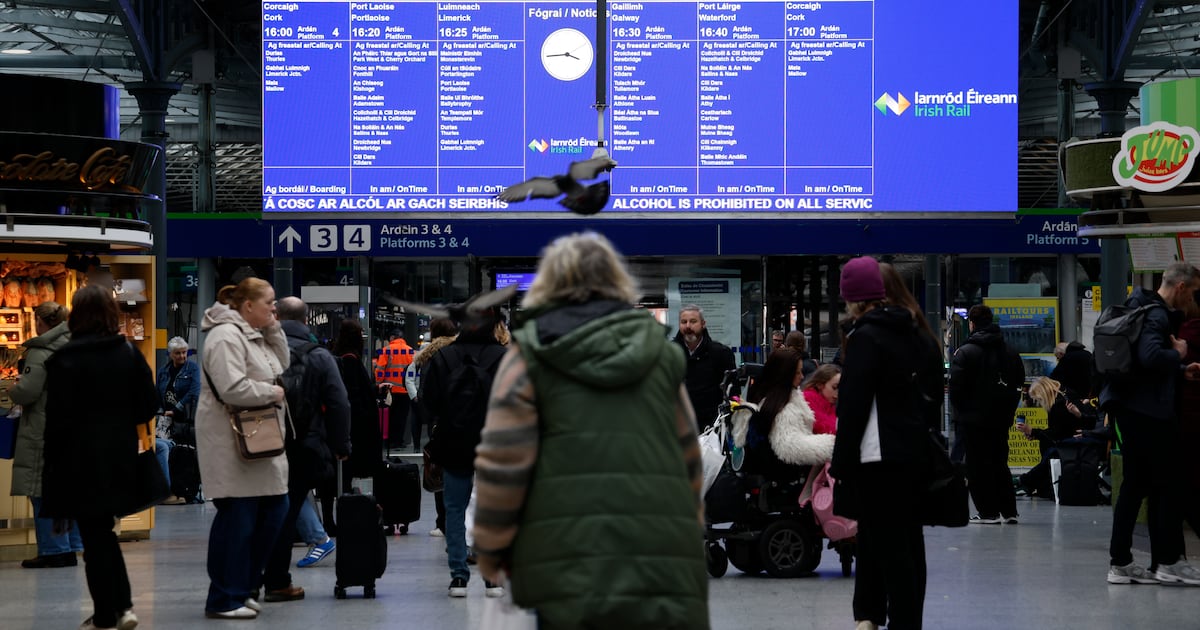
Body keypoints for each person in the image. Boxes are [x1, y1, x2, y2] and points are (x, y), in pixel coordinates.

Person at [473, 232, 708, 629]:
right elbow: (689, 456)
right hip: (658, 553)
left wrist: (492, 547)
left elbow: (503, 461)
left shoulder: (529, 358)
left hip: (568, 559)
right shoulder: (659, 357)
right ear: (616, 283)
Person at [830, 256, 943, 630]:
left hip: (877, 457)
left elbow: (855, 407)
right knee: (907, 544)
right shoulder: (917, 334)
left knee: (889, 547)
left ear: (854, 299)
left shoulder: (867, 337)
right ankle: (885, 617)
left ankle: (889, 620)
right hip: (913, 454)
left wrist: (842, 464)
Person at [41, 285, 159, 630]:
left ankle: (117, 608)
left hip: (78, 460)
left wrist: (52, 479)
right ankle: (112, 610)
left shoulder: (62, 360)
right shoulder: (127, 353)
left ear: (76, 315)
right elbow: (148, 405)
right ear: (111, 313)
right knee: (101, 532)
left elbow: (56, 423)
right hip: (120, 455)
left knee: (96, 535)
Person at [196, 277, 289, 620]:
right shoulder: (224, 337)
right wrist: (272, 394)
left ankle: (243, 586)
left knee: (273, 510)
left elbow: (280, 367)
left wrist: (274, 330)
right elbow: (232, 387)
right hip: (231, 441)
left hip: (258, 439)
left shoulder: (254, 334)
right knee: (238, 519)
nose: (274, 309)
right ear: (248, 306)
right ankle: (224, 596)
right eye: (269, 303)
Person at [1102, 261, 1200, 585]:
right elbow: (1150, 356)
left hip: (1130, 409)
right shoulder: (1157, 314)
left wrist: (1178, 371)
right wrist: (1179, 354)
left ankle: (1121, 561)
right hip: (1151, 415)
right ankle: (1168, 562)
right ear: (1181, 287)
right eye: (1193, 293)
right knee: (1168, 485)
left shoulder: (1137, 306)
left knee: (1133, 487)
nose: (1193, 301)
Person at [263, 297, 351, 602]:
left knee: (261, 509)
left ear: (277, 316)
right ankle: (276, 581)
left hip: (262, 442)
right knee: (287, 510)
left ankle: (250, 579)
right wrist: (341, 445)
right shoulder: (320, 356)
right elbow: (339, 403)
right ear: (305, 320)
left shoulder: (262, 349)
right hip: (305, 445)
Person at [421, 304, 507, 598]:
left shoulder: (443, 357)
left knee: (454, 509)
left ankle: (459, 577)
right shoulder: (504, 357)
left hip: (454, 443)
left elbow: (427, 403)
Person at [8, 301, 83, 569]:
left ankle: (54, 550)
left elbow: (28, 391)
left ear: (40, 321)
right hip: (69, 428)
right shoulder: (74, 344)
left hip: (42, 428)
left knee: (41, 490)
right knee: (66, 488)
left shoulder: (40, 352)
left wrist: (11, 390)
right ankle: (72, 545)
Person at [949, 304, 1025, 525]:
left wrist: (963, 412)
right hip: (1000, 419)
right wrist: (1007, 410)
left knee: (977, 465)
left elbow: (956, 389)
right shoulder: (1010, 352)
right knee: (1000, 462)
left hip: (972, 421)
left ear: (971, 324)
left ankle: (988, 512)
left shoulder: (965, 352)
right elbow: (1018, 384)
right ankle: (1009, 510)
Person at [737, 347, 835, 479]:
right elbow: (792, 448)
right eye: (797, 373)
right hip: (787, 482)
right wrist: (833, 444)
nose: (802, 377)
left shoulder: (775, 397)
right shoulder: (784, 409)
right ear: (785, 374)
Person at [326, 319, 382, 532]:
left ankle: (337, 517)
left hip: (348, 428)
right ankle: (344, 517)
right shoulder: (351, 361)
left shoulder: (340, 358)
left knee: (341, 476)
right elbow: (354, 397)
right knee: (346, 475)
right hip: (357, 431)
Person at [405, 316, 458, 537]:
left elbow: (427, 392)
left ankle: (443, 522)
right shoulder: (461, 353)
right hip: (463, 419)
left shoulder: (431, 357)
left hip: (441, 422)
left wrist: (430, 418)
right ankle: (459, 520)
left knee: (438, 471)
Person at [673, 304, 736, 430]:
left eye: (693, 321)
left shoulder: (721, 354)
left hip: (711, 429)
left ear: (703, 324)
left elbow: (733, 393)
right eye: (684, 322)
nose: (688, 326)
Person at [156, 336, 201, 505]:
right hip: (165, 420)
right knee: (167, 451)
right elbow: (157, 394)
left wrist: (175, 410)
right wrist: (161, 413)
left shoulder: (192, 369)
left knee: (183, 454)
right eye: (178, 353)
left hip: (185, 420)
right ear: (170, 354)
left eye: (184, 352)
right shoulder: (163, 372)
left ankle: (184, 489)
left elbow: (194, 392)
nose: (182, 356)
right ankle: (169, 490)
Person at [375, 330, 414, 450]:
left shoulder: (387, 350)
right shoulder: (410, 350)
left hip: (390, 390)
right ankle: (398, 441)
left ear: (392, 337)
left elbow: (380, 369)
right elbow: (413, 371)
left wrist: (378, 384)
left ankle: (389, 441)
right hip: (405, 390)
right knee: (401, 417)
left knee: (389, 417)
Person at [802, 363, 842, 436]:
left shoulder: (829, 404)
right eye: (834, 387)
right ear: (820, 384)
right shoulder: (808, 398)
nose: (837, 394)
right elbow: (821, 427)